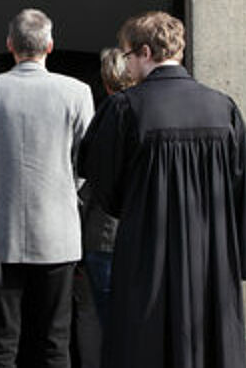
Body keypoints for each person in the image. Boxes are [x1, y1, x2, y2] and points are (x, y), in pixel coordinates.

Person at [77, 11, 246, 368]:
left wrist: (132, 208)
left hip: (149, 251)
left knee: (146, 343)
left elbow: (101, 180)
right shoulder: (223, 108)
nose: (126, 64)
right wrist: (244, 257)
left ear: (145, 52)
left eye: (127, 55)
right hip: (213, 253)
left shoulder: (125, 109)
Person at [0, 8, 95, 368]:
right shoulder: (77, 93)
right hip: (57, 232)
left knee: (1, 341)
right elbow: (87, 162)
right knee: (54, 341)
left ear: (10, 45)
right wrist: (65, 187)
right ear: (50, 45)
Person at [79, 48, 136, 330]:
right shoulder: (147, 116)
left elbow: (88, 175)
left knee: (103, 321)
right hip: (140, 236)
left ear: (104, 81)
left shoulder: (101, 119)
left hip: (102, 235)